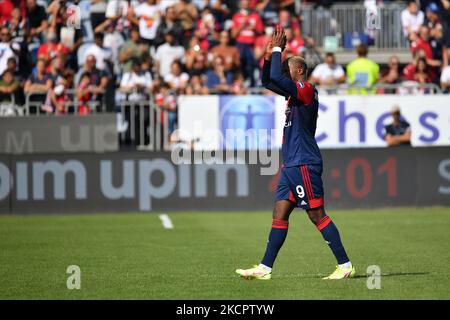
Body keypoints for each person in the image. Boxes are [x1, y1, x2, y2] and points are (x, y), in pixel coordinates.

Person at [236, 26, 355, 281]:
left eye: (286, 68)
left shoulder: (307, 90)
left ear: (299, 71)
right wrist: (269, 56)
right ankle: (265, 268)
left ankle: (345, 265)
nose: (283, 73)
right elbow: (267, 80)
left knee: (316, 214)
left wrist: (278, 49)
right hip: (291, 165)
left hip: (303, 162)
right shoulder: (293, 95)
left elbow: (277, 80)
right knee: (279, 213)